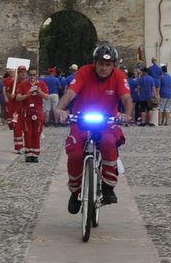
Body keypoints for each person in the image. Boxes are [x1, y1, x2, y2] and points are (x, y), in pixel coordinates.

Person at [54, 42, 134, 213]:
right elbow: (71, 93)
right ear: (94, 63)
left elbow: (127, 98)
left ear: (114, 66)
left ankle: (108, 186)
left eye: (108, 65)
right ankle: (75, 191)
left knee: (108, 142)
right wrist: (60, 108)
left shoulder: (119, 76)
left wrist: (126, 114)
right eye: (100, 64)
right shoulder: (84, 72)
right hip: (81, 120)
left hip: (108, 121)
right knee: (75, 153)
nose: (104, 68)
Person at [10, 64, 48, 162]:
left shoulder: (42, 84)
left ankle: (35, 154)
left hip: (38, 111)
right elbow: (18, 98)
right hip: (26, 112)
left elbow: (47, 97)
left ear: (37, 75)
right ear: (28, 75)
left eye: (34, 75)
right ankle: (28, 153)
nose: (32, 77)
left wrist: (40, 93)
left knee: (37, 133)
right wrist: (27, 94)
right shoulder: (23, 85)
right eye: (30, 75)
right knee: (27, 133)